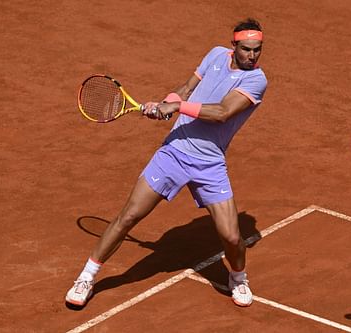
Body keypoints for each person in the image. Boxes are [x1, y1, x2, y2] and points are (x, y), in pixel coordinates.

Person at [66, 18, 267, 308]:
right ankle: (86, 276)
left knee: (232, 236)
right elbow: (185, 89)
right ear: (233, 45)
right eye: (246, 49)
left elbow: (223, 112)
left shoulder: (256, 81)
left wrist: (176, 107)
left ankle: (238, 277)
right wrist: (165, 103)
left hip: (209, 163)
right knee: (128, 217)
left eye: (257, 50)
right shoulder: (214, 55)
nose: (252, 56)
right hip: (174, 153)